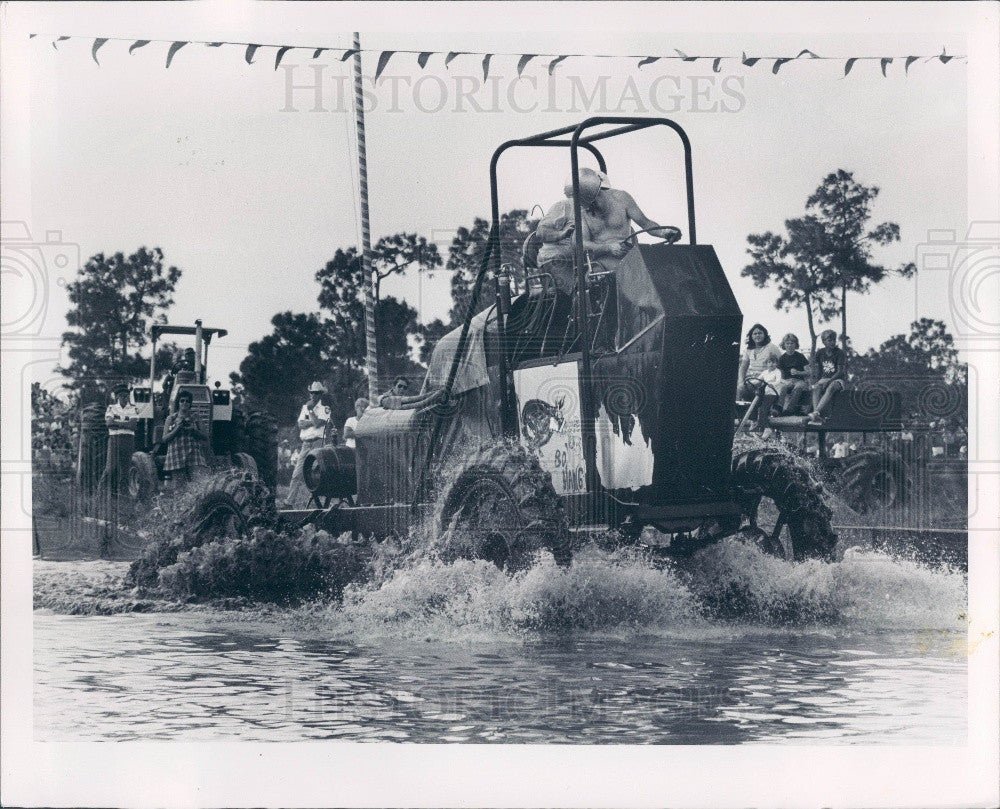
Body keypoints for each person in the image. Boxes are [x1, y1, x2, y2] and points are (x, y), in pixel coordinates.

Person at [286, 381, 330, 507]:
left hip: (317, 443)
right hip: (306, 443)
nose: (313, 396)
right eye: (312, 393)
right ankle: (290, 501)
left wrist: (310, 413)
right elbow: (300, 424)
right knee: (297, 473)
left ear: (320, 394)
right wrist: (312, 419)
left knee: (319, 473)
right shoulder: (305, 407)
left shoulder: (325, 409)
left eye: (316, 393)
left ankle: (323, 502)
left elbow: (317, 423)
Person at [99, 382, 138, 496]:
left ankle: (123, 495)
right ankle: (100, 492)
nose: (124, 398)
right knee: (110, 468)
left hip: (128, 439)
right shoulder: (111, 408)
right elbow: (109, 424)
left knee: (125, 470)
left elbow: (133, 426)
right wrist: (125, 423)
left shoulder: (132, 409)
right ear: (117, 397)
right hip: (115, 439)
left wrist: (117, 423)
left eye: (126, 396)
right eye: (122, 396)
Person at [162, 389, 208, 485]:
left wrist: (193, 430)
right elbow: (164, 439)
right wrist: (177, 429)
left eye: (187, 401)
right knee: (179, 488)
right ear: (178, 403)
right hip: (176, 455)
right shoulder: (171, 418)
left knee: (200, 484)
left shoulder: (196, 417)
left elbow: (205, 436)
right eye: (182, 400)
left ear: (190, 403)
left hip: (194, 454)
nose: (185, 403)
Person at [808, 329, 847, 425]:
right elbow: (818, 370)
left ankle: (816, 412)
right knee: (816, 387)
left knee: (831, 387)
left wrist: (829, 381)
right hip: (824, 379)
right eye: (829, 340)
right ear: (823, 341)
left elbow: (840, 371)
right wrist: (816, 382)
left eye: (834, 340)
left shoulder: (839, 353)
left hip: (837, 379)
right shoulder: (820, 353)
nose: (833, 342)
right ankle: (816, 417)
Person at [736, 323, 783, 401]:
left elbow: (781, 365)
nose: (757, 335)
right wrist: (741, 381)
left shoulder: (771, 347)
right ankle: (739, 411)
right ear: (751, 336)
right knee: (739, 388)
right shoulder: (749, 350)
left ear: (765, 335)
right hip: (751, 379)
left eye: (760, 333)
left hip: (766, 380)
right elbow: (743, 367)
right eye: (755, 333)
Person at [777, 333, 810, 415]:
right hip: (787, 381)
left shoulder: (800, 356)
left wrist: (798, 372)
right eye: (787, 343)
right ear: (784, 345)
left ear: (796, 344)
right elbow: (779, 375)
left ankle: (789, 410)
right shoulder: (782, 358)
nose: (790, 345)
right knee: (783, 387)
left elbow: (809, 372)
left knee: (798, 387)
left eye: (792, 343)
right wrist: (785, 382)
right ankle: (778, 408)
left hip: (799, 380)